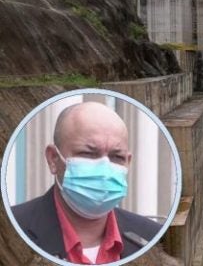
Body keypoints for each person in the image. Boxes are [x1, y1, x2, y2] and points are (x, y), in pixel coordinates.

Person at [11, 101, 162, 264]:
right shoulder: (9, 229)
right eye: (88, 153)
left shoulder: (153, 237)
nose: (104, 169)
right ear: (53, 158)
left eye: (117, 157)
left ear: (128, 162)